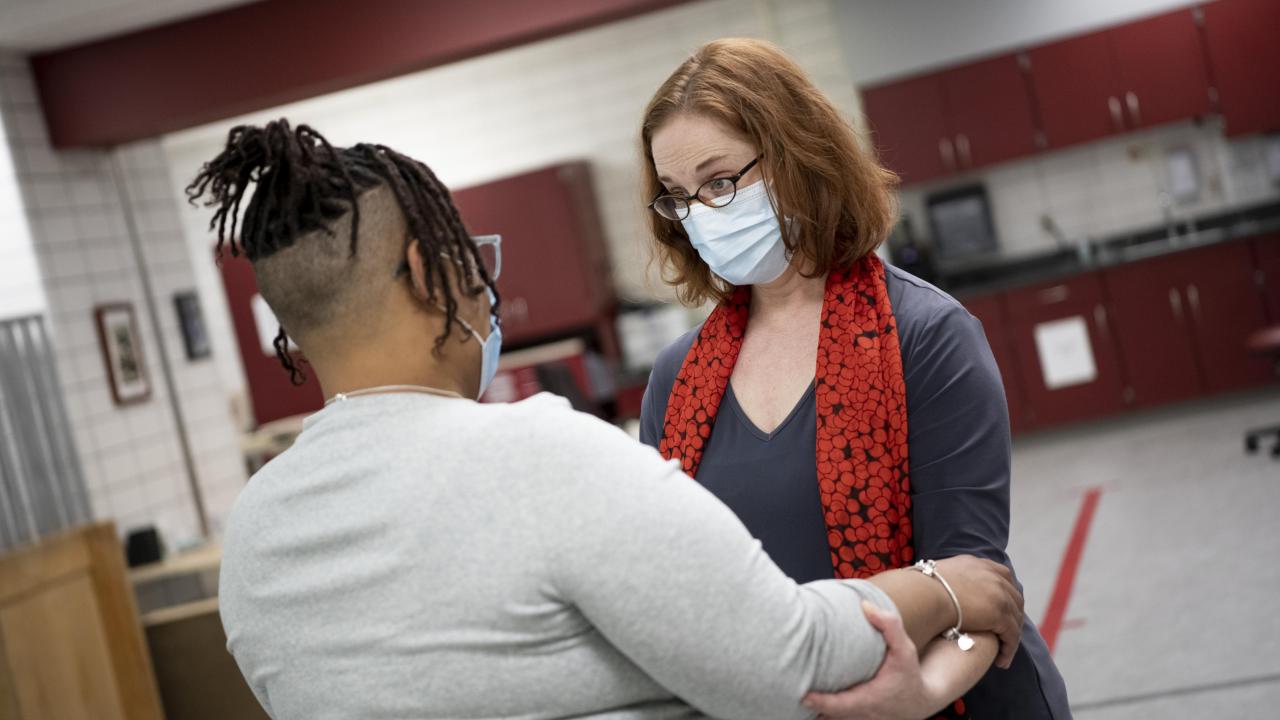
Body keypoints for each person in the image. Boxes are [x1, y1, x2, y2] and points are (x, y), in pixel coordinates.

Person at [191, 120, 1023, 720]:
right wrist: (948, 585)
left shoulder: (258, 531)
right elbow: (790, 661)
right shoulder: (540, 453)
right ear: (423, 270)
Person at [636, 38, 1071, 720]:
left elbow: (978, 585)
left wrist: (914, 695)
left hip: (950, 698)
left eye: (721, 182)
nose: (701, 215)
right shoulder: (677, 379)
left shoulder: (925, 335)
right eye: (679, 198)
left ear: (796, 158)